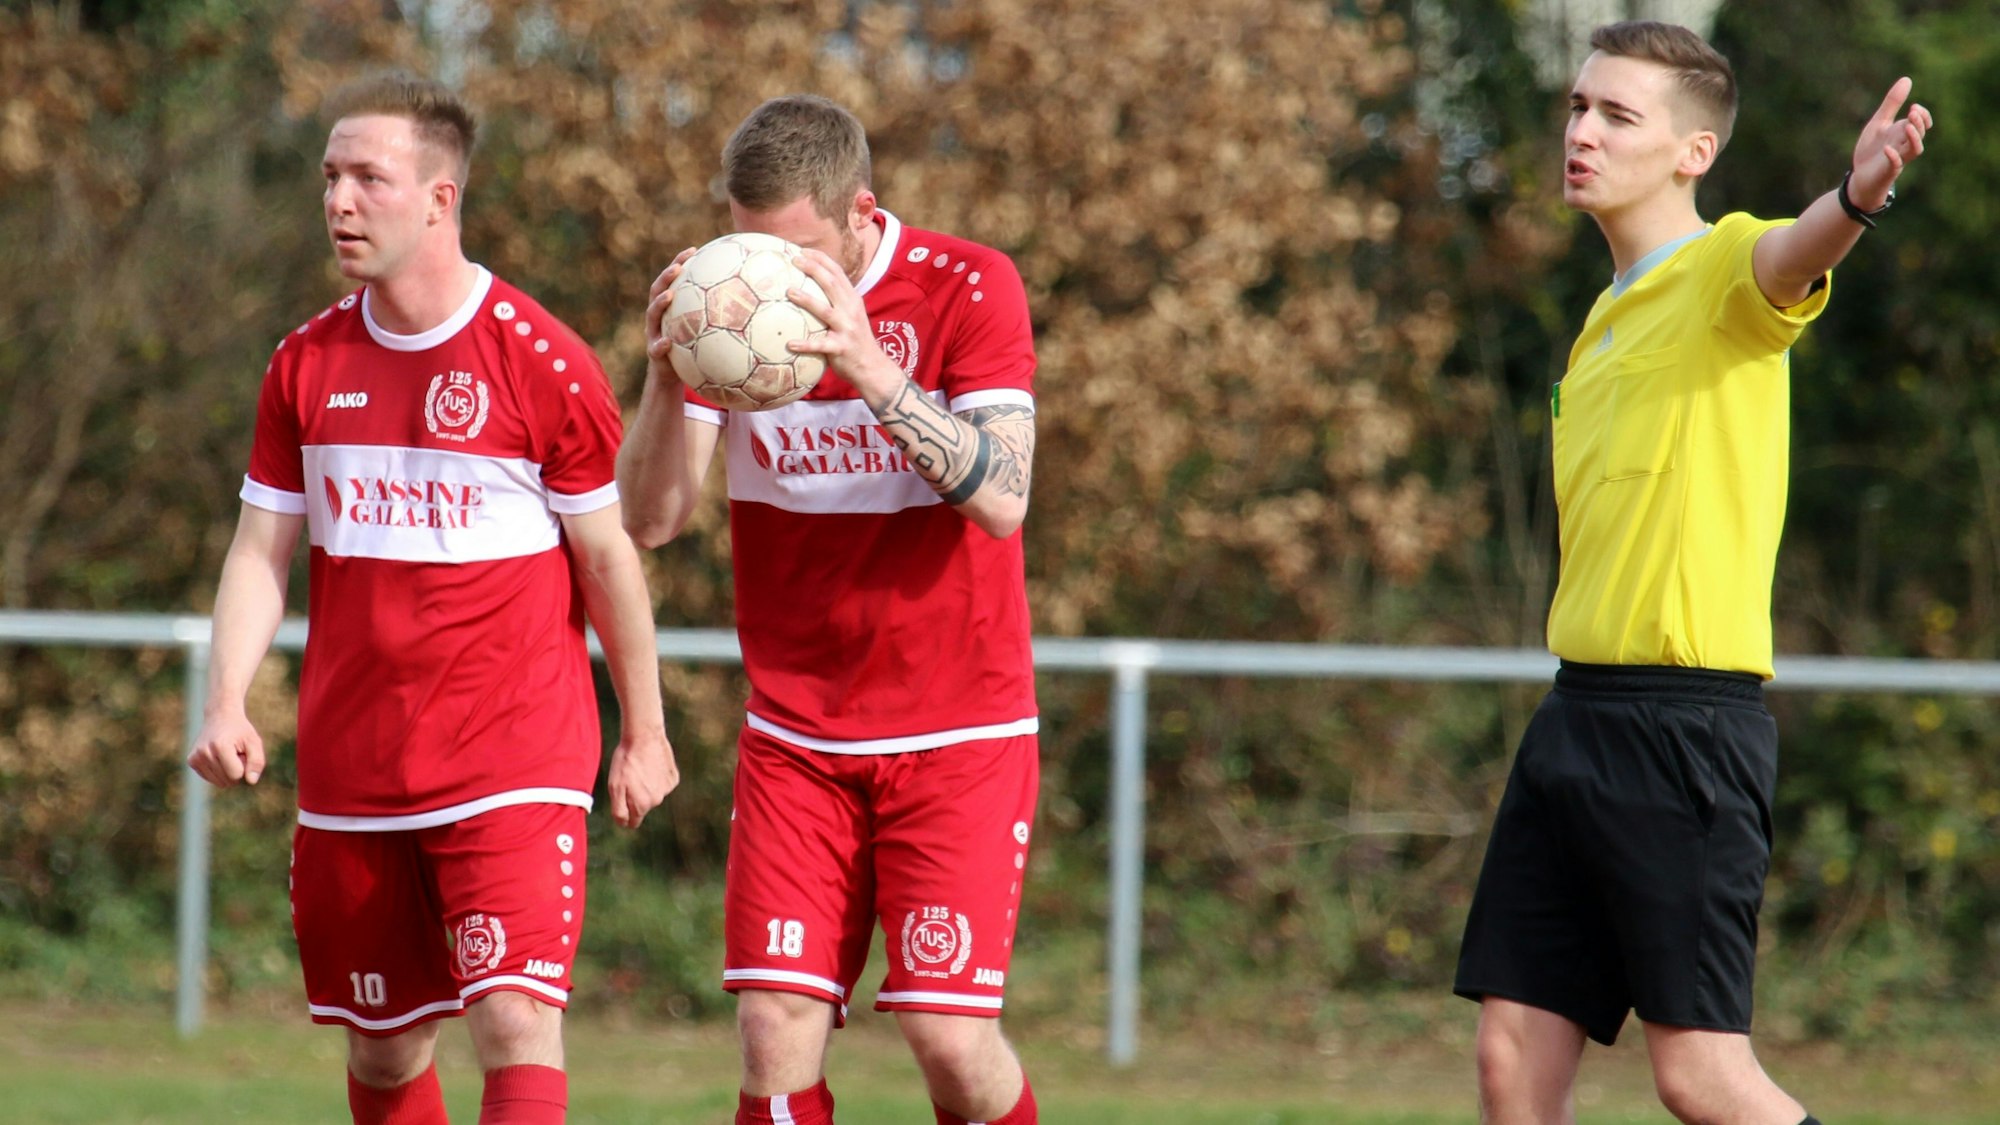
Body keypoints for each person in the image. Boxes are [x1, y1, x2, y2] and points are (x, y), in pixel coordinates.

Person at [1451, 20, 1931, 1125]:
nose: (1581, 131)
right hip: (1574, 716)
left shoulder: (1722, 268)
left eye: (1617, 115)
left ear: (1690, 154)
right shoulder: (1597, 323)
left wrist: (1854, 200)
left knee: (1700, 1079)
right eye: (1577, 107)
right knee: (1508, 1060)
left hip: (1685, 726)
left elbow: (1790, 253)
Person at [186, 74, 679, 1125]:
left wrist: (643, 730)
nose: (339, 202)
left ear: (440, 198)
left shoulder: (539, 359)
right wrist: (227, 698)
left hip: (512, 756)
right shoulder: (305, 364)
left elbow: (608, 558)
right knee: (382, 1046)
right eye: (330, 177)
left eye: (369, 177)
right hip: (354, 762)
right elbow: (259, 554)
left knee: (513, 1019)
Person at [618, 94, 1040, 1125]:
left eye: (798, 253)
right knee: (771, 1036)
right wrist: (665, 379)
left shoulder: (965, 285)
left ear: (860, 212)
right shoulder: (727, 301)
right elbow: (650, 516)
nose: (768, 281)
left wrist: (866, 367)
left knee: (947, 1038)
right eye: (744, 244)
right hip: (796, 734)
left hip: (957, 731)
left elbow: (1000, 499)